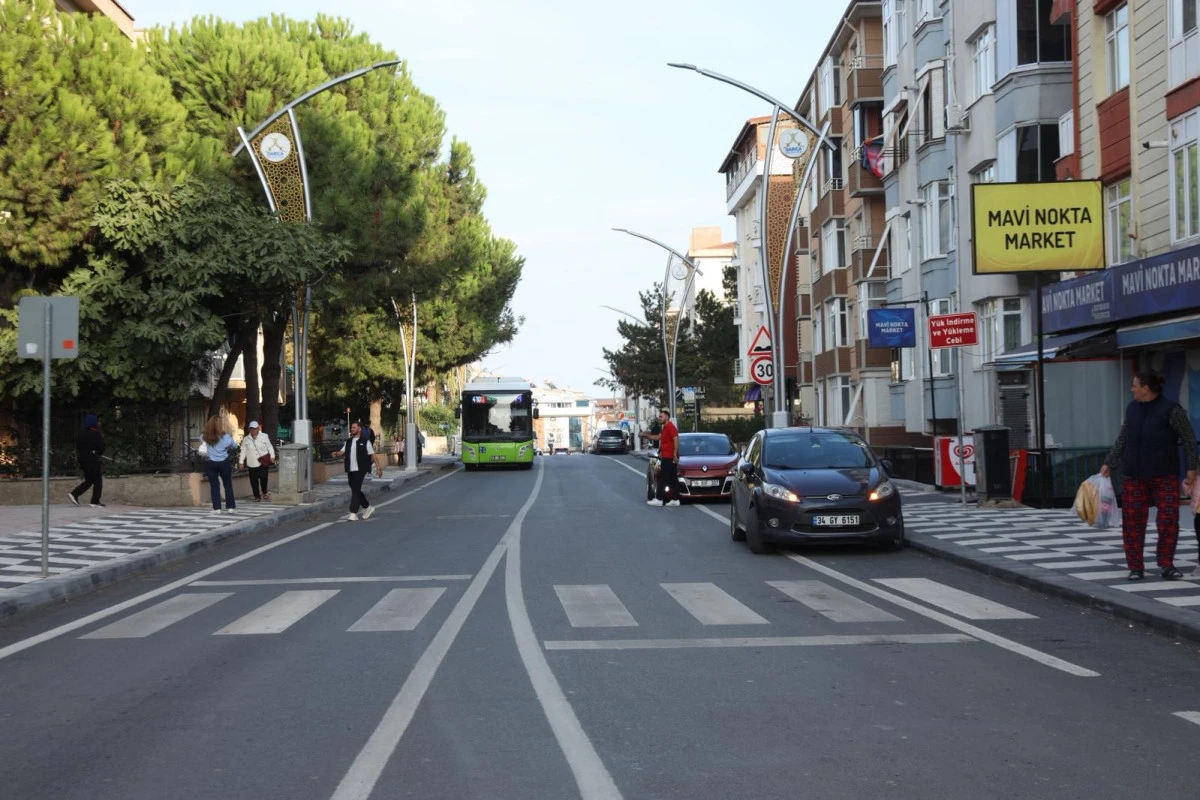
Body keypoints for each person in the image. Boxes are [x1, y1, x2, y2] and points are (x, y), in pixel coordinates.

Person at [1101, 370, 1198, 581]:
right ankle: (1135, 566)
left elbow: (1189, 439)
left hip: (1164, 474)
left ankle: (1166, 563)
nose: (1132, 389)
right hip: (1134, 475)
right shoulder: (1132, 408)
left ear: (1146, 388)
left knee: (1168, 520)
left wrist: (1192, 468)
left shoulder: (1172, 410)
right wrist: (1110, 462)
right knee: (1133, 522)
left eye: (1135, 386)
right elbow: (1124, 437)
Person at [333, 421, 383, 521]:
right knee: (355, 490)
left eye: (354, 427)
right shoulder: (348, 442)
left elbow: (373, 455)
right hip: (350, 469)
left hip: (361, 469)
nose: (352, 429)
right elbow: (342, 452)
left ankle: (353, 513)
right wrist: (337, 453)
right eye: (351, 428)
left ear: (359, 429)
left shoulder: (365, 441)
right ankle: (367, 507)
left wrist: (378, 468)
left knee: (355, 491)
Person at [200, 415, 238, 515]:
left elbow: (202, 443)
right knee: (228, 485)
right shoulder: (226, 437)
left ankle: (217, 508)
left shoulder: (204, 436)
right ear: (221, 425)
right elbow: (234, 447)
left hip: (210, 463)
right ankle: (230, 507)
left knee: (214, 485)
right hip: (224, 462)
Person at [68, 413, 105, 508]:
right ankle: (95, 501)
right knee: (98, 480)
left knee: (90, 479)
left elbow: (78, 446)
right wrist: (96, 452)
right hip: (92, 459)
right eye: (97, 421)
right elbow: (101, 447)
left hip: (82, 459)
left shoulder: (81, 433)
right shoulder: (95, 433)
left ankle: (75, 494)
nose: (98, 423)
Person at [645, 409, 680, 507]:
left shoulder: (670, 427)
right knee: (673, 479)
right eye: (659, 417)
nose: (659, 418)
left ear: (667, 417)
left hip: (669, 457)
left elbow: (676, 439)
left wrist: (674, 454)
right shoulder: (665, 428)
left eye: (661, 416)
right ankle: (675, 499)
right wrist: (646, 435)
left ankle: (659, 499)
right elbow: (657, 437)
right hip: (666, 456)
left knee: (663, 478)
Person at [238, 421, 276, 502]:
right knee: (254, 480)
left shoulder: (264, 436)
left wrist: (272, 456)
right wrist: (241, 462)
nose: (253, 431)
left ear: (258, 429)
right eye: (251, 429)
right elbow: (243, 451)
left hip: (263, 462)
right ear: (249, 429)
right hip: (252, 462)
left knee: (264, 478)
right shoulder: (246, 439)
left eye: (255, 429)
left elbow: (269, 447)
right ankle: (257, 496)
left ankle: (264, 492)